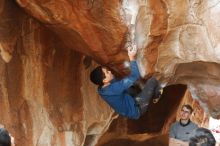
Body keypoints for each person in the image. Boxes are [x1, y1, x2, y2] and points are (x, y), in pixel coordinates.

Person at [90, 47, 163, 119]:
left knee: (131, 86)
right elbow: (135, 76)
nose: (109, 71)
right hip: (137, 109)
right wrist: (132, 57)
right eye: (107, 72)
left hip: (128, 105)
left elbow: (120, 82)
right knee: (153, 81)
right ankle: (157, 94)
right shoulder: (114, 89)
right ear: (104, 80)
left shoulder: (101, 89)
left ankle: (139, 94)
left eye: (107, 70)